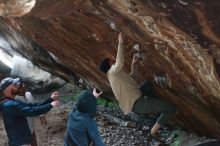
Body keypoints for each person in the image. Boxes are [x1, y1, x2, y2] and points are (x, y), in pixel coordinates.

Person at [99, 33, 176, 136]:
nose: (113, 59)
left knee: (147, 85)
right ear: (109, 64)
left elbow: (132, 79)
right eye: (111, 60)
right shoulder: (113, 72)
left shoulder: (114, 76)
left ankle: (157, 108)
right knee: (170, 109)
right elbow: (119, 62)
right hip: (138, 103)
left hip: (136, 100)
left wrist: (133, 65)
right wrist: (121, 43)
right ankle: (153, 131)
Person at [0, 77, 60, 146]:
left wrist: (50, 99)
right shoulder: (9, 105)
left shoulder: (13, 102)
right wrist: (51, 105)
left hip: (23, 139)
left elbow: (33, 106)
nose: (18, 86)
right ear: (8, 88)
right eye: (15, 85)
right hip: (20, 142)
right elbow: (31, 111)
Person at [15, 80, 47, 146]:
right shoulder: (15, 100)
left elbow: (34, 107)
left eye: (22, 84)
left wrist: (41, 116)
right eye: (20, 86)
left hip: (31, 127)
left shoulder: (28, 94)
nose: (23, 87)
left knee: (34, 143)